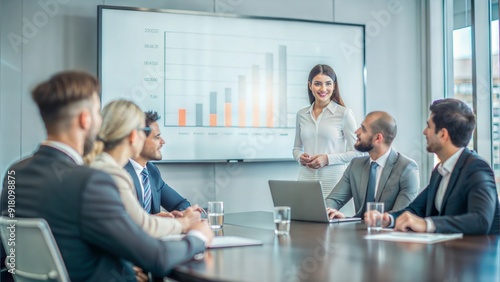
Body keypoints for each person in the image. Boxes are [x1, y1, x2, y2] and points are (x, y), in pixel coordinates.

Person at [0, 71, 213, 281]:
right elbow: (157, 257)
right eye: (97, 113)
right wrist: (198, 237)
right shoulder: (90, 181)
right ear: (85, 119)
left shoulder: (15, 173)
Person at [366, 98, 500, 235]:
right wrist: (388, 219)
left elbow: (481, 221)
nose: (424, 132)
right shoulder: (440, 171)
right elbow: (416, 210)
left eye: (429, 126)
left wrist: (427, 224)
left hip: (475, 254)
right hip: (447, 252)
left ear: (443, 134)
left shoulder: (476, 168)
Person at [86, 100, 200, 237]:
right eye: (155, 136)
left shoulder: (151, 171)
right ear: (134, 136)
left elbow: (135, 224)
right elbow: (134, 228)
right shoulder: (113, 174)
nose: (162, 142)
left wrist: (156, 219)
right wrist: (190, 230)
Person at [325, 111, 419, 219]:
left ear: (378, 138)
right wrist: (331, 212)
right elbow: (333, 200)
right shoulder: (356, 165)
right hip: (357, 233)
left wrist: (348, 220)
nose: (357, 132)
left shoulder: (407, 168)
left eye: (363, 129)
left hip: (388, 234)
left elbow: (400, 216)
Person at [293, 64, 364, 197]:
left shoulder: (344, 113)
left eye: (328, 84)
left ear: (334, 86)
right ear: (310, 86)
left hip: (334, 181)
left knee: (332, 217)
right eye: (318, 84)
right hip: (305, 179)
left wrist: (328, 159)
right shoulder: (301, 114)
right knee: (303, 217)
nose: (323, 89)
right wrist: (299, 157)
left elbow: (359, 152)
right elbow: (296, 148)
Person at [125, 111, 195, 216]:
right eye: (157, 137)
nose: (162, 142)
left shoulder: (151, 170)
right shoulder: (119, 173)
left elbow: (180, 203)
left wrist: (182, 214)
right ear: (138, 139)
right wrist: (155, 221)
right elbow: (121, 221)